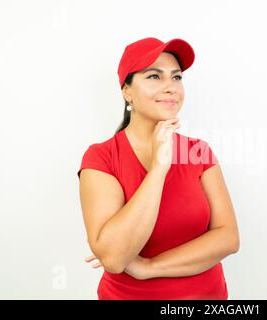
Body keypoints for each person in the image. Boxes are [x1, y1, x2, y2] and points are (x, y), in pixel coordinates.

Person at [77, 37, 240, 299]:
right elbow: (115, 258)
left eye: (176, 78)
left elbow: (228, 238)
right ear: (127, 91)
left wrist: (149, 267)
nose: (170, 87)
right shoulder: (101, 157)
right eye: (154, 76)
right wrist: (158, 168)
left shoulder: (198, 151)